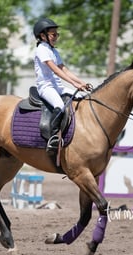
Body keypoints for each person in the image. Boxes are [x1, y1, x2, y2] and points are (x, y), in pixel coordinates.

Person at [33, 18, 89, 153]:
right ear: (42, 35)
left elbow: (64, 69)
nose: (56, 37)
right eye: (53, 34)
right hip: (45, 87)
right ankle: (53, 138)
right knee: (60, 106)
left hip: (58, 87)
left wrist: (81, 82)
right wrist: (74, 84)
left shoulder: (54, 51)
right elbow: (55, 70)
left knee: (83, 97)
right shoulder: (41, 49)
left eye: (56, 34)